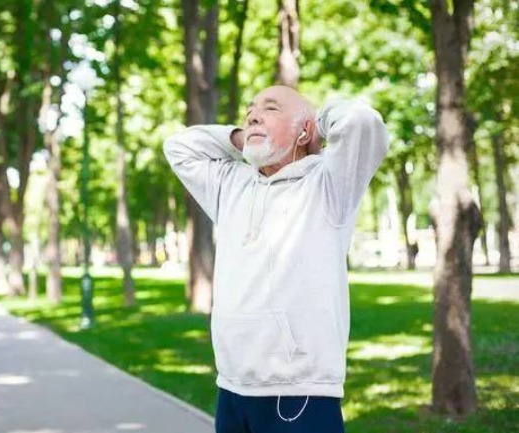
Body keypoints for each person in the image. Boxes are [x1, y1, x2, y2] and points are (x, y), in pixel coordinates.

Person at [163, 85, 389, 433]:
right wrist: (243, 138)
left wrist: (317, 123)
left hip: (300, 392)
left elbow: (361, 122)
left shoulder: (329, 184)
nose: (253, 115)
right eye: (250, 110)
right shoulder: (231, 184)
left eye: (270, 109)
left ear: (304, 130)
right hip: (232, 387)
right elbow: (179, 147)